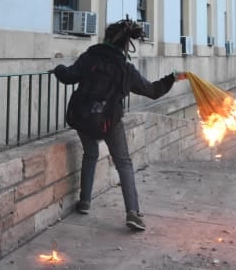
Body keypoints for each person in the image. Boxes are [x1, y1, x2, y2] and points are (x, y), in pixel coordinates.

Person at [53, 18, 187, 231]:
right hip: (108, 120)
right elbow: (152, 91)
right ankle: (132, 213)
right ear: (126, 44)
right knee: (123, 163)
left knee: (90, 153)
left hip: (82, 116)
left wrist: (58, 67)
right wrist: (171, 78)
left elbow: (68, 76)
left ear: (106, 38)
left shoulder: (89, 57)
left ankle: (85, 201)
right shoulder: (125, 69)